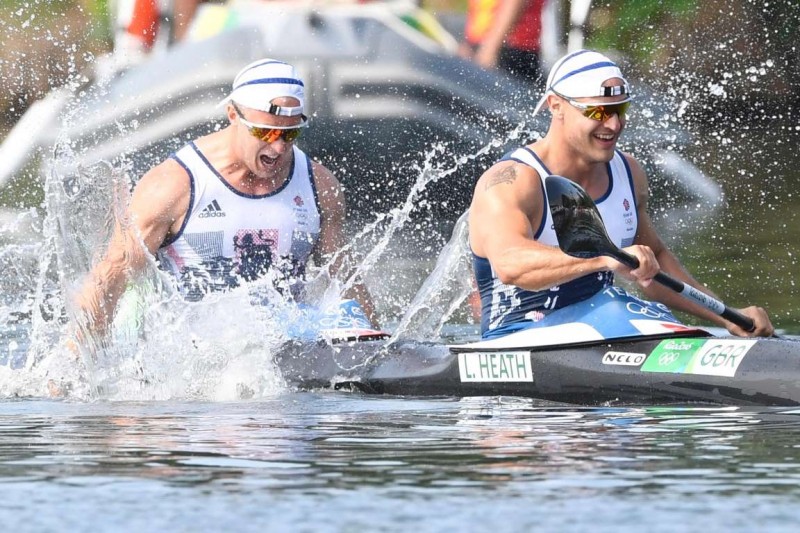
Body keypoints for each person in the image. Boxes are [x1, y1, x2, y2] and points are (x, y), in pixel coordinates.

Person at [468, 49, 774, 339]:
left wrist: (728, 317)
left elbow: (656, 263)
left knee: (634, 311)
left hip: (602, 324)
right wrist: (602, 259)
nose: (614, 124)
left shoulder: (628, 172)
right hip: (517, 335)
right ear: (556, 105)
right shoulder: (512, 180)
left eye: (620, 109)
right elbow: (510, 264)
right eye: (599, 111)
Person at [74, 58, 374, 337]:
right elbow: (111, 276)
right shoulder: (172, 186)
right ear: (232, 114)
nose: (279, 148)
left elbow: (344, 277)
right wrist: (75, 363)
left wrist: (378, 346)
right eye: (266, 132)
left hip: (287, 343)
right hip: (193, 355)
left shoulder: (319, 185)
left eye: (290, 134)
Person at [460, 0, 546, 84]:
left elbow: (514, 3)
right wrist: (469, 44)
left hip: (509, 48)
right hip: (486, 45)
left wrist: (490, 50)